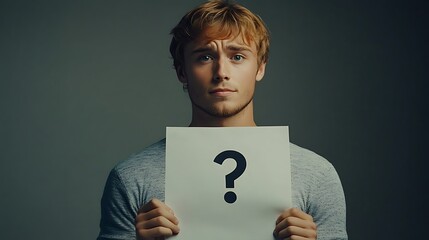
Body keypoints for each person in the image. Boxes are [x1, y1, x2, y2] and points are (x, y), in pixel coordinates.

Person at [97, 1, 347, 239]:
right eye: (204, 57)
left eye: (237, 56)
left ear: (260, 68)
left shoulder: (317, 175)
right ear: (182, 71)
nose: (221, 73)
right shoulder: (132, 177)